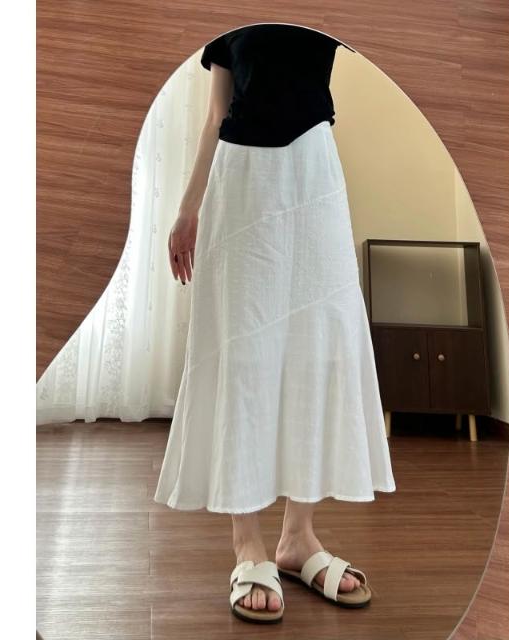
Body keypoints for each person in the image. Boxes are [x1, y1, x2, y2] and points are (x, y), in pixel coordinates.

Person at [153, 23, 396, 624]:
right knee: (244, 354)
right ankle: (248, 544)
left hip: (314, 170)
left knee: (320, 348)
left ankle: (298, 538)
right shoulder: (227, 22)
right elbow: (216, 115)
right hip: (241, 182)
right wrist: (187, 209)